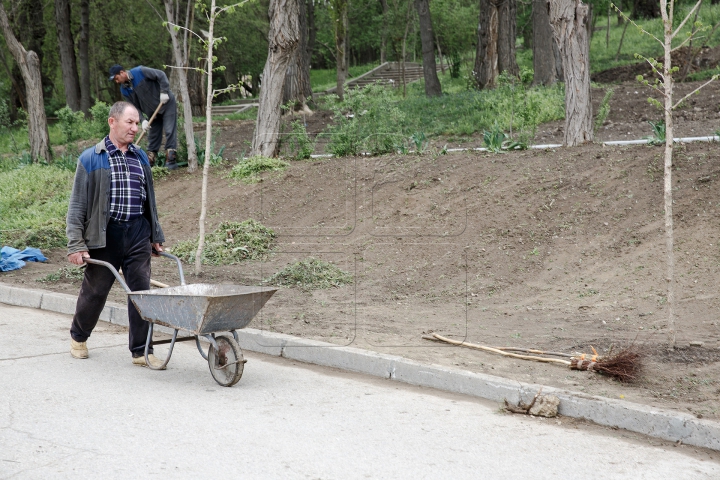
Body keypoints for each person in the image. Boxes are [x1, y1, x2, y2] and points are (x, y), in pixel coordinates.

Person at [66, 101, 167, 368]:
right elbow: (77, 205)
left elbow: (150, 200)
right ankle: (78, 337)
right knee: (96, 290)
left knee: (141, 293)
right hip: (105, 233)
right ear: (113, 122)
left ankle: (141, 351)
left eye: (137, 123)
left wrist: (155, 233)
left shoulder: (140, 156)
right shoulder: (91, 158)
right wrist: (76, 244)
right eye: (130, 123)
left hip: (137, 233)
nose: (135, 128)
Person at [109, 64, 178, 170]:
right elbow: (134, 107)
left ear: (122, 73)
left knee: (169, 130)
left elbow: (161, 75)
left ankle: (171, 160)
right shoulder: (124, 90)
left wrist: (164, 92)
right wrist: (142, 120)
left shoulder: (140, 71)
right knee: (153, 136)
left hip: (166, 103)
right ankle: (150, 161)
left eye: (117, 78)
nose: (117, 82)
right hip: (152, 112)